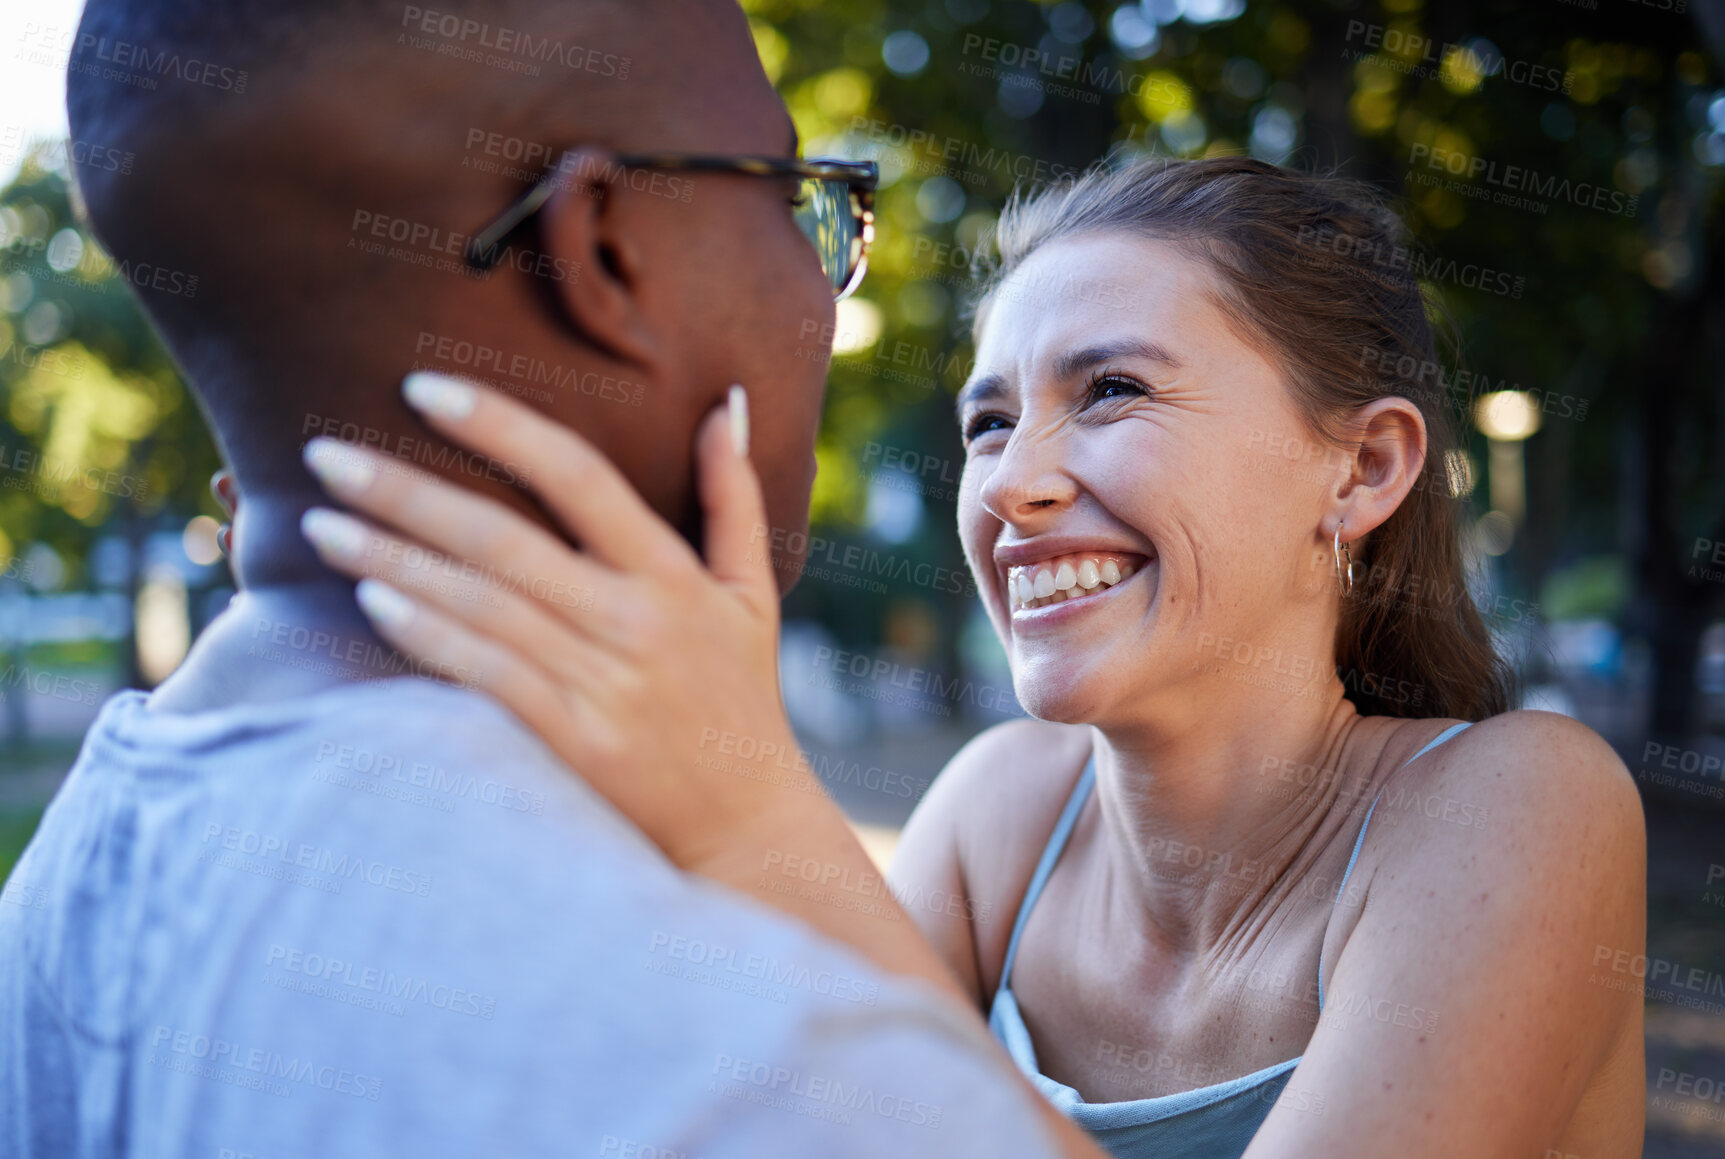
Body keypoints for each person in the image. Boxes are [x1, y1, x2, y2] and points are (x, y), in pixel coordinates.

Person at [302, 157, 1648, 1158]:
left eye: (1109, 391)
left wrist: (753, 808)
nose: (1013, 484)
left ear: (1361, 469)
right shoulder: (1006, 812)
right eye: (988, 421)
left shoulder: (1521, 804)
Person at [0, 1, 1112, 1156]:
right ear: (608, 251)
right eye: (790, 197)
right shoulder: (750, 1069)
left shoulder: (62, 882)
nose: (820, 290)